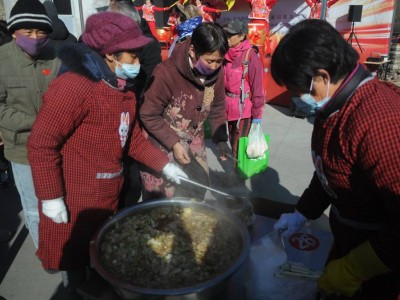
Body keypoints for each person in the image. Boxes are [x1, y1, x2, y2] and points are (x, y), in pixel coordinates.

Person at [26, 11, 186, 295]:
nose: (137, 64)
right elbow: (41, 144)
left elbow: (133, 139)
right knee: (76, 274)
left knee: (104, 265)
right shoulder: (74, 86)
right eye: (132, 56)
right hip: (74, 203)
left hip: (107, 197)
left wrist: (165, 165)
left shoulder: (121, 89)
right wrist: (51, 197)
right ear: (110, 55)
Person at [271, 19, 400, 300]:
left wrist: (355, 269)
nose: (295, 99)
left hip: (379, 267)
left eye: (296, 90)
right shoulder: (333, 105)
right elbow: (331, 167)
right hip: (347, 241)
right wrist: (302, 212)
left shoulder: (380, 122)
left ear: (322, 77)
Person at [140, 22, 229, 200]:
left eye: (219, 61)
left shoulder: (217, 74)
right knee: (164, 199)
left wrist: (221, 140)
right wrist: (174, 143)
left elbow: (218, 106)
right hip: (162, 143)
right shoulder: (166, 73)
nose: (213, 67)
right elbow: (148, 114)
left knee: (196, 191)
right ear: (192, 51)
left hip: (194, 142)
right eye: (209, 60)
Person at [0, 0, 61, 249]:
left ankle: (63, 245)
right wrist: (38, 123)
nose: (35, 38)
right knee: (34, 207)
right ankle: (45, 252)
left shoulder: (57, 57)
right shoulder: (2, 61)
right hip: (22, 149)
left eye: (41, 32)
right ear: (14, 32)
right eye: (27, 32)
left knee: (58, 200)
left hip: (58, 146)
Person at [108, 0, 163, 207]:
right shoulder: (86, 83)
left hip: (134, 119)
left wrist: (164, 165)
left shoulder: (147, 45)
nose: (137, 64)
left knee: (130, 183)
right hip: (94, 175)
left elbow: (151, 85)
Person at [223, 20, 264, 163]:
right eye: (226, 34)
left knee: (238, 146)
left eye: (231, 35)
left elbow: (257, 87)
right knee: (231, 140)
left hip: (244, 110)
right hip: (228, 108)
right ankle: (235, 171)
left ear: (241, 36)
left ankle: (237, 176)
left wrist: (257, 115)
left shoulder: (250, 56)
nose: (227, 37)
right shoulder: (224, 55)